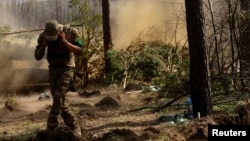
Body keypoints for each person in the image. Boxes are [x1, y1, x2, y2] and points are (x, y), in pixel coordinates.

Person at [34, 20, 83, 137]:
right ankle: (74, 126)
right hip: (53, 71)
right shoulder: (43, 37)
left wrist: (65, 41)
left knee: (58, 98)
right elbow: (37, 56)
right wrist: (44, 45)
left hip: (67, 70)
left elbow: (80, 51)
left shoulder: (71, 32)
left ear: (59, 31)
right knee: (60, 102)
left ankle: (51, 129)